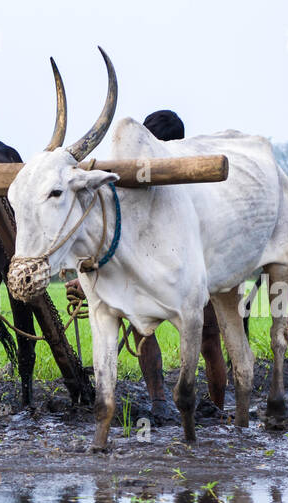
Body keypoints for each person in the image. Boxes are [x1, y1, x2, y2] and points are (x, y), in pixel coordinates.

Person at [66, 109, 229, 420]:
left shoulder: (190, 182)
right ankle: (169, 405)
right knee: (163, 332)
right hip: (152, 272)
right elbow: (116, 242)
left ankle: (206, 408)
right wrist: (87, 280)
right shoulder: (125, 184)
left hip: (197, 270)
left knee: (205, 337)